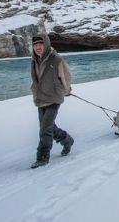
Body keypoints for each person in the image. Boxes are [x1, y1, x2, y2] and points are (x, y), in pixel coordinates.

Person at [30, 35, 74, 169]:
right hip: (40, 99)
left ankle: (42, 157)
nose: (38, 47)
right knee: (49, 127)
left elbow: (65, 76)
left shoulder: (56, 59)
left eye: (40, 44)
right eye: (35, 45)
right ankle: (67, 140)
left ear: (46, 45)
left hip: (54, 98)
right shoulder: (34, 60)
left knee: (45, 129)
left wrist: (66, 90)